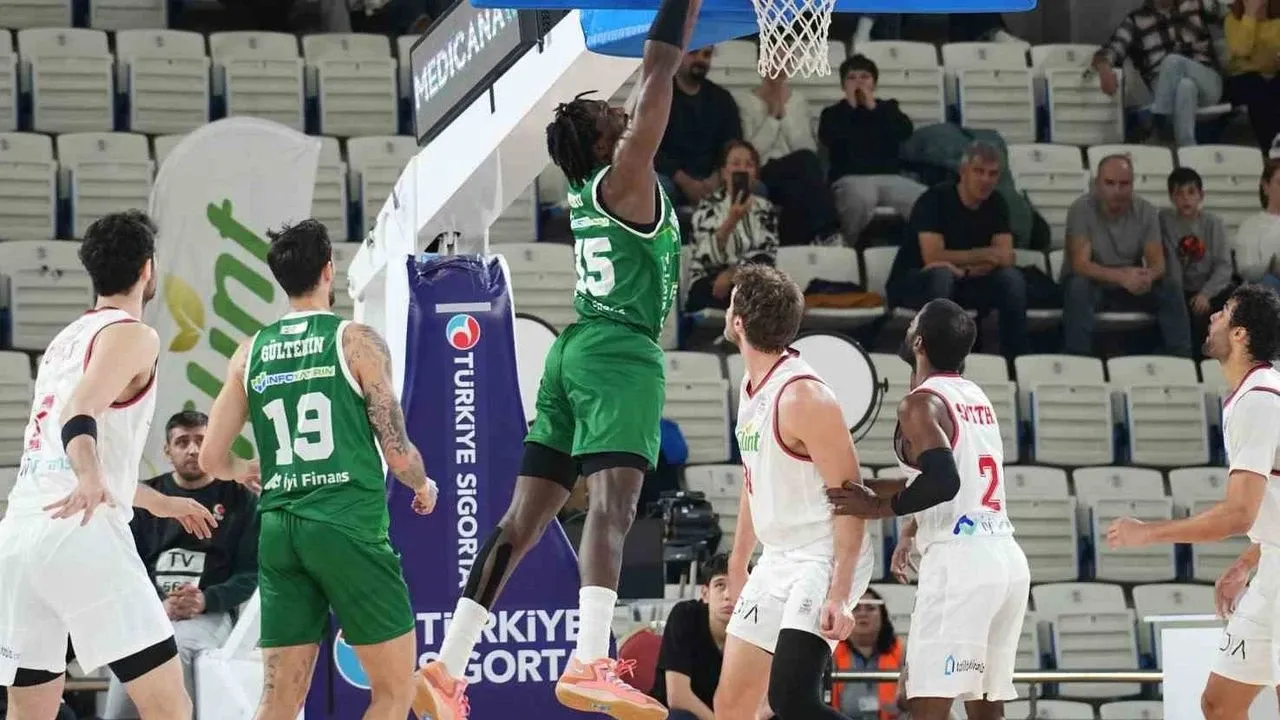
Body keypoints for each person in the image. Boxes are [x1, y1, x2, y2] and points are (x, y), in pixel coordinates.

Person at [415, 0, 693, 716]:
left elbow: (640, 94)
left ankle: (447, 665)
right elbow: (659, 68)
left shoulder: (587, 185)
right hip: (618, 352)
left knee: (521, 521)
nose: (623, 112)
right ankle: (591, 658)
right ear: (605, 143)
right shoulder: (625, 175)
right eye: (611, 115)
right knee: (613, 508)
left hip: (572, 355)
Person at [198, 219, 439, 720]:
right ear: (329, 269)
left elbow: (210, 460)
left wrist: (245, 469)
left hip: (280, 532)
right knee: (394, 692)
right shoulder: (356, 342)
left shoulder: (250, 352)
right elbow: (397, 454)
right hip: (346, 526)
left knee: (279, 700)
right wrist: (423, 484)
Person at [0, 211, 216, 720]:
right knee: (170, 705)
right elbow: (79, 414)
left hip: (20, 537)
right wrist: (91, 476)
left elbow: (64, 455)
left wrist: (159, 501)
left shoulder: (64, 341)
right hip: (81, 534)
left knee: (31, 709)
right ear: (147, 268)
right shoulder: (134, 335)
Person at [826, 298, 1030, 720]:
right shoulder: (975, 397)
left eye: (913, 324)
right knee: (986, 710)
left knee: (925, 706)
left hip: (962, 565)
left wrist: (879, 508)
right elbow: (953, 481)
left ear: (918, 342)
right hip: (1005, 562)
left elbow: (943, 481)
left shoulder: (918, 404)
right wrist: (906, 526)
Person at [1107, 283, 1280, 720]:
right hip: (1273, 567)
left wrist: (1147, 534)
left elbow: (1238, 514)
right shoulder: (1253, 393)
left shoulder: (1261, 399)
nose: (1213, 317)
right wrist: (1247, 561)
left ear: (1240, 333)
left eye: (1224, 311)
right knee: (1219, 705)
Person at [713, 263, 875, 720]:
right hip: (778, 556)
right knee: (732, 706)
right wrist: (738, 560)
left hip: (822, 556)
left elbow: (851, 500)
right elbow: (754, 479)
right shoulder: (750, 385)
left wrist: (839, 593)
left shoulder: (804, 397)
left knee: (792, 699)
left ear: (738, 322)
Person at [103, 410, 260, 720]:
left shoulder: (241, 498)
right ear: (167, 450)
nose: (192, 449)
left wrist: (206, 599)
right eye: (182, 442)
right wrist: (157, 605)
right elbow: (126, 565)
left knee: (174, 647)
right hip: (152, 612)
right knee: (129, 650)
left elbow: (251, 573)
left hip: (210, 615)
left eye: (201, 440)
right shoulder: (146, 498)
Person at [887, 141, 1027, 358]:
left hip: (968, 279)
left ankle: (1014, 360)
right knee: (942, 275)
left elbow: (1005, 257)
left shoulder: (997, 203)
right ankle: (937, 361)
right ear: (963, 171)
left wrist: (965, 269)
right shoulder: (935, 199)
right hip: (918, 281)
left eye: (992, 174)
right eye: (979, 171)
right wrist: (985, 254)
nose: (986, 180)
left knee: (1011, 278)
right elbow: (933, 256)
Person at [1061, 154, 1191, 357]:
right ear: (1097, 184)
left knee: (1170, 287)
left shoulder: (1146, 211)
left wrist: (1147, 276)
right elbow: (1081, 264)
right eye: (1110, 183)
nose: (1117, 190)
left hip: (1130, 286)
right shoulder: (1081, 209)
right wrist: (1122, 277)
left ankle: (1182, 358)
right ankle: (1078, 357)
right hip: (1094, 284)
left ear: (1132, 184)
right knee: (1078, 286)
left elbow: (1158, 264)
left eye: (1124, 184)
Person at [819, 54, 925, 243]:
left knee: (925, 198)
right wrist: (851, 108)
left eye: (864, 77)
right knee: (862, 197)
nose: (858, 82)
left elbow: (904, 131)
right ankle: (846, 246)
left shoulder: (888, 108)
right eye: (851, 78)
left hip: (890, 178)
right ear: (843, 86)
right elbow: (828, 138)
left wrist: (873, 107)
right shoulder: (832, 113)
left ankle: (921, 250)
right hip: (850, 179)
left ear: (874, 83)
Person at [1091, 0, 1224, 147]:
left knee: (1173, 61)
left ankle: (1157, 120)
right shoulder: (1135, 20)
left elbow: (1228, 12)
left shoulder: (1194, 4)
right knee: (1185, 86)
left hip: (1207, 80)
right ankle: (1187, 150)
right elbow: (1112, 49)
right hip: (1168, 89)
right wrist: (1104, 69)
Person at [687, 139, 780, 312]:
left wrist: (732, 274)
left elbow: (767, 255)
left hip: (749, 283)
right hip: (711, 283)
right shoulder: (707, 207)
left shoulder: (765, 209)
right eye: (736, 164)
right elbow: (705, 258)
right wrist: (731, 220)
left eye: (749, 165)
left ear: (755, 173)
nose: (742, 169)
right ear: (724, 172)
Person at [1159, 167, 1234, 357]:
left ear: (1201, 195)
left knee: (1233, 300)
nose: (1185, 199)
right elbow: (1172, 266)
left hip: (1210, 288)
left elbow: (1224, 266)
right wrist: (1179, 294)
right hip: (1181, 290)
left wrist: (1205, 294)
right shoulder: (1166, 222)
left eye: (1191, 192)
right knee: (1173, 302)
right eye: (1179, 193)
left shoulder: (1213, 223)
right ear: (1171, 197)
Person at [652, 553, 737, 720]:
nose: (728, 595)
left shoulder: (755, 626)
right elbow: (678, 698)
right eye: (720, 585)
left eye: (737, 586)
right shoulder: (685, 616)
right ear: (705, 593)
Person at [658, 47, 744, 207]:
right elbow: (650, 150)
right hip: (673, 178)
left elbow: (734, 144)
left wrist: (718, 177)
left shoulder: (722, 99)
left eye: (707, 54)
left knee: (754, 187)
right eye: (693, 52)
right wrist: (686, 182)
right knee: (660, 187)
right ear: (678, 55)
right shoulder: (659, 96)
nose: (700, 59)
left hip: (714, 178)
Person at [829, 589, 905, 720]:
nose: (863, 614)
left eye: (870, 608)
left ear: (882, 616)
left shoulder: (902, 653)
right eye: (855, 608)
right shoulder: (829, 655)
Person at [1223, 0, 1280, 151]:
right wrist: (1250, 16)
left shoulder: (1276, 20)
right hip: (1241, 77)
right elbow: (1242, 49)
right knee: (1257, 88)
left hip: (1273, 75)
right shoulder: (1233, 20)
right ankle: (1272, 149)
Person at [1233, 159, 1280, 290]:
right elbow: (1246, 271)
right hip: (1267, 289)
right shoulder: (1250, 226)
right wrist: (1273, 265)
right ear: (1266, 186)